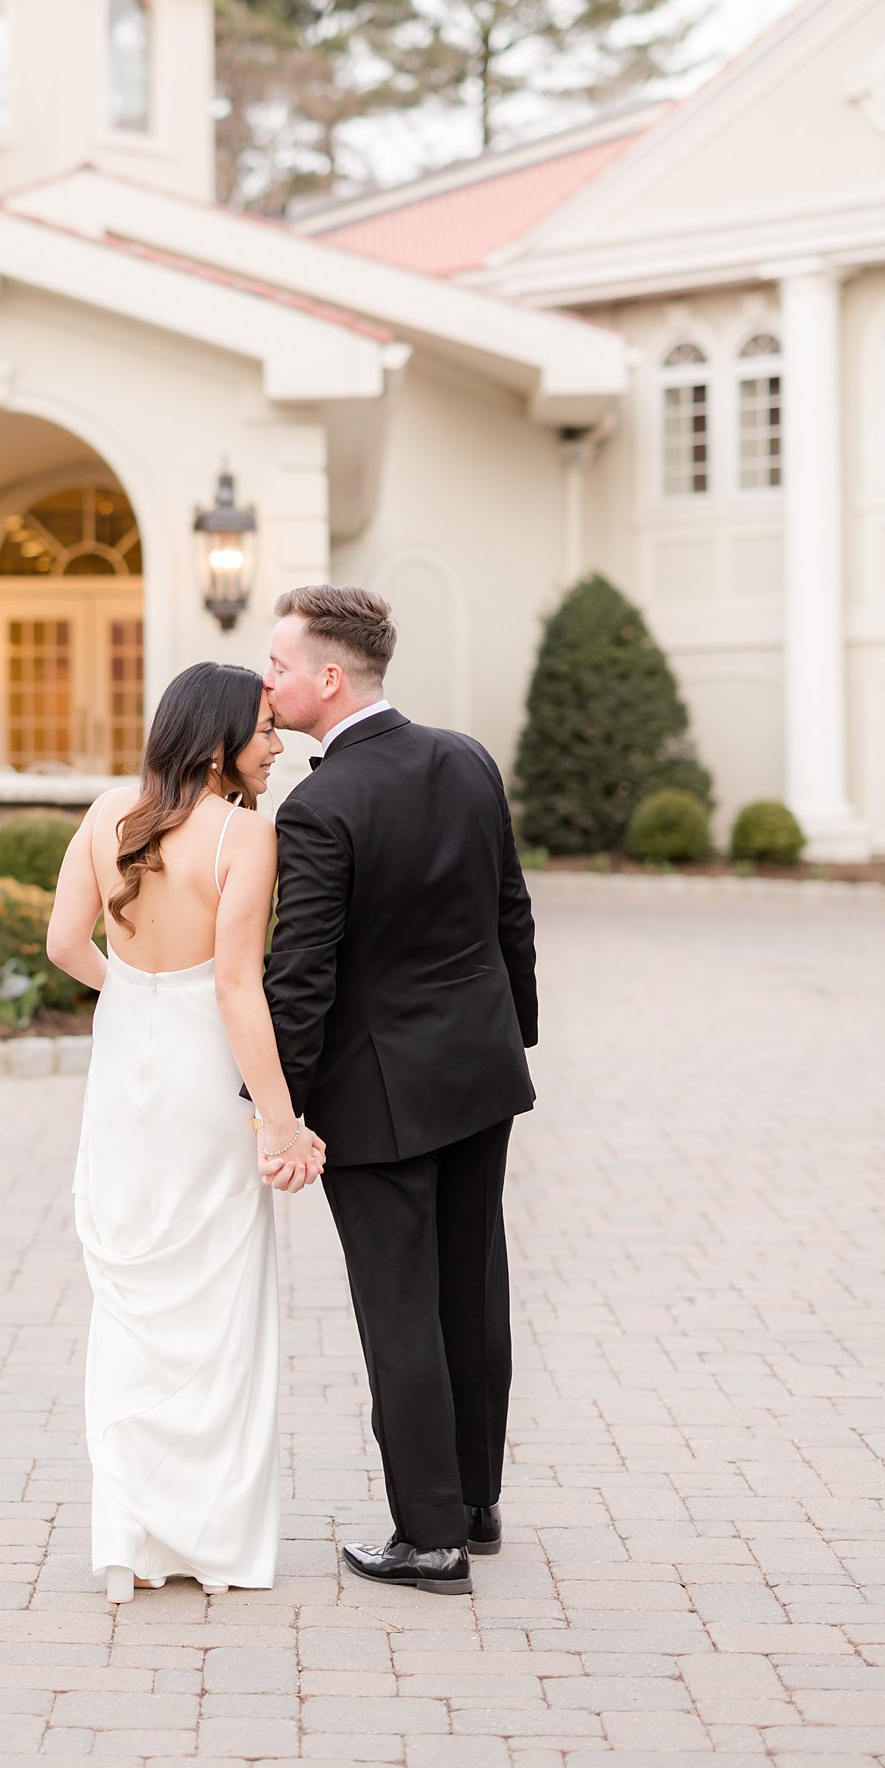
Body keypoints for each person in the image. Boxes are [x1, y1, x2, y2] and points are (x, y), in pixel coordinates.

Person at [261, 584, 538, 1597]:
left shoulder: (321, 804)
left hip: (374, 1098)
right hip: (478, 1071)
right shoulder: (464, 757)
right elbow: (512, 910)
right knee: (471, 1289)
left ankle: (427, 1539)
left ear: (328, 679)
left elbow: (302, 975)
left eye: (279, 664)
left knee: (398, 1311)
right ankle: (471, 1501)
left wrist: (276, 1106)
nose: (268, 680)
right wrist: (516, 1034)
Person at [46, 662, 326, 1603]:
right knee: (219, 1307)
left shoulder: (103, 817)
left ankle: (125, 1541)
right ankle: (215, 1548)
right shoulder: (245, 835)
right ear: (216, 740)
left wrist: (130, 989)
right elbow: (237, 987)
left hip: (124, 1078)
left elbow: (61, 945)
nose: (275, 742)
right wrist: (282, 1125)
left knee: (131, 1299)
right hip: (207, 1084)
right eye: (262, 728)